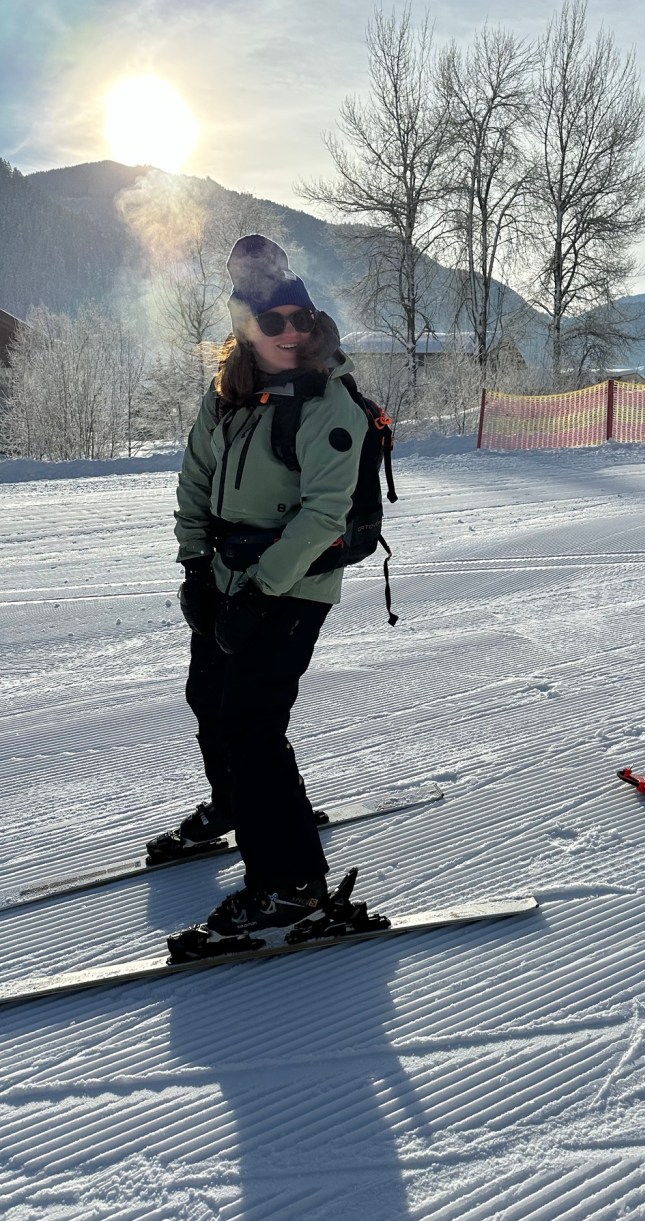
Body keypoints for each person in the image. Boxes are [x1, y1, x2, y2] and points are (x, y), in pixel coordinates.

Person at [149, 234, 370, 943]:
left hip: (295, 581)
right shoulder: (231, 392)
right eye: (272, 321)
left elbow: (322, 515)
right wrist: (194, 567)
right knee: (209, 700)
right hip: (228, 570)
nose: (290, 331)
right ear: (247, 328)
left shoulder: (328, 401)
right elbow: (195, 479)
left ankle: (289, 884)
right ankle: (237, 804)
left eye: (300, 319)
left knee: (252, 723)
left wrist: (260, 594)